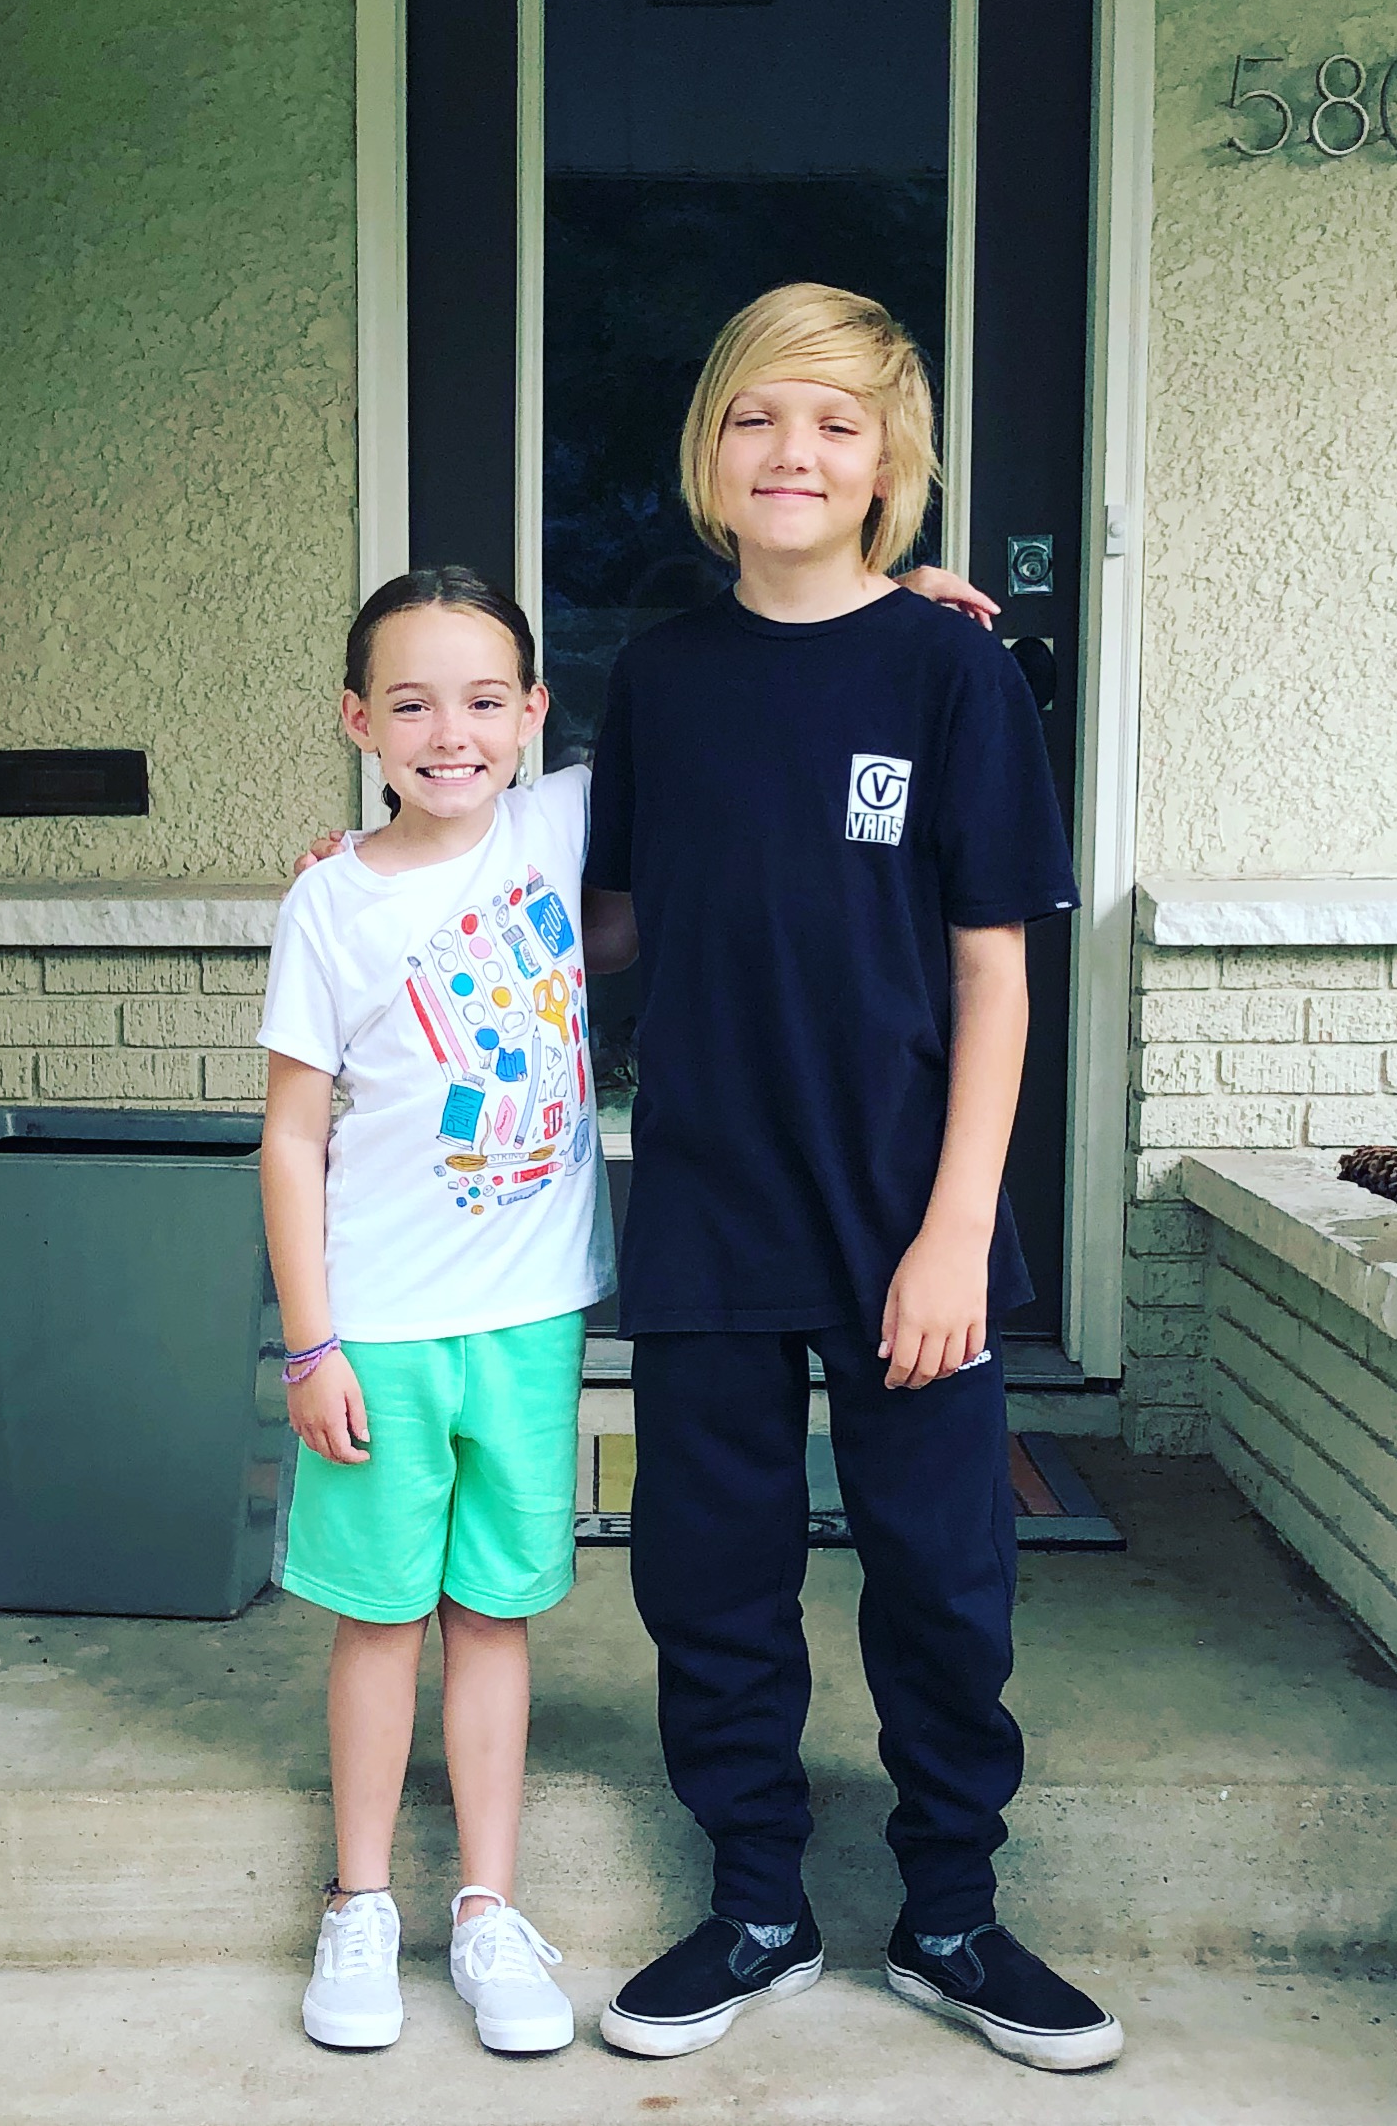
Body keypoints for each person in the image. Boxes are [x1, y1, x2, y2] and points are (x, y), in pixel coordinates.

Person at [583, 283, 1124, 2073]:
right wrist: (389, 867)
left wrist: (958, 1229)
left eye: (833, 423)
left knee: (945, 1581)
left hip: (910, 1212)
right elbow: (604, 919)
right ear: (709, 450)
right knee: (709, 1579)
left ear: (891, 462)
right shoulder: (663, 675)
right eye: (756, 415)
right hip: (711, 1201)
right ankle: (757, 1901)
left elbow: (993, 975)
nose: (791, 451)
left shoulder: (953, 671)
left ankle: (950, 1909)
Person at [259, 567, 612, 2056]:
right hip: (381, 1326)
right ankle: (357, 1901)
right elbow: (291, 1134)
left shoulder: (560, 825)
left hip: (530, 1316)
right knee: (381, 1616)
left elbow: (760, 697)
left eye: (482, 701)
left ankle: (485, 1907)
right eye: (410, 704)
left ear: (532, 714)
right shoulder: (329, 900)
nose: (449, 733)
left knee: (492, 1612)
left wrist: (902, 595)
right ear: (358, 721)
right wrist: (311, 1339)